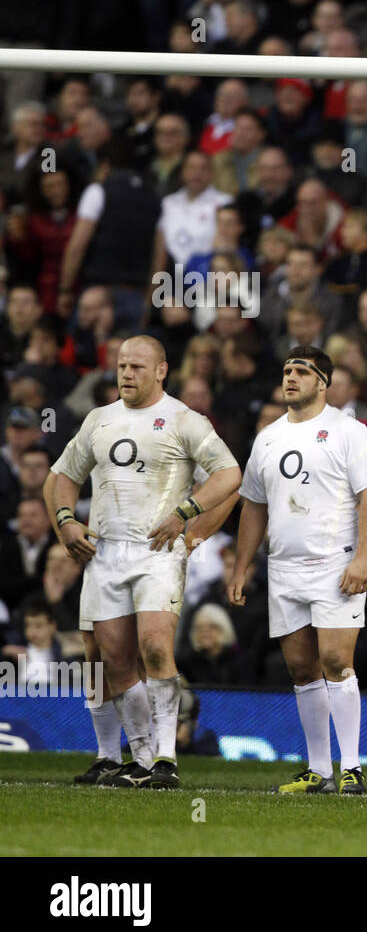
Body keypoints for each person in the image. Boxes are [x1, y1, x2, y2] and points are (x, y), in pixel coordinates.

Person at [44, 335, 241, 789]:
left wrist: (186, 516)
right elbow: (63, 478)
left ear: (161, 370)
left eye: (136, 366)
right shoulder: (99, 419)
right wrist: (66, 519)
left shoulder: (184, 420)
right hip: (106, 552)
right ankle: (140, 757)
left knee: (154, 645)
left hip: (157, 551)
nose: (127, 374)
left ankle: (167, 758)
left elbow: (230, 473)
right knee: (112, 660)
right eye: (121, 366)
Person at [228, 346, 367, 795]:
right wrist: (242, 566)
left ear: (324, 382)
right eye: (287, 370)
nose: (291, 377)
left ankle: (352, 767)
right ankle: (318, 769)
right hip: (283, 566)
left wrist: (363, 557)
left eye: (302, 371)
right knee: (301, 668)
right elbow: (254, 506)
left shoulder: (348, 430)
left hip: (335, 562)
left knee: (336, 660)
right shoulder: (268, 437)